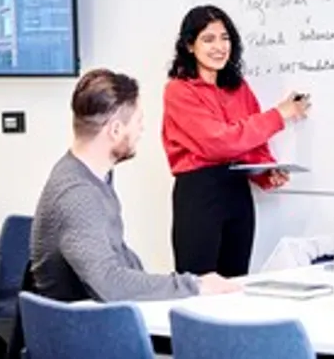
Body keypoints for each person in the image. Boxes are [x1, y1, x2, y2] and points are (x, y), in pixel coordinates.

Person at [30, 68, 240, 302]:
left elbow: (119, 262)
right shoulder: (78, 194)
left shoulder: (94, 175)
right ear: (116, 130)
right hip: (82, 330)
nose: (141, 130)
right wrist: (194, 285)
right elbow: (109, 284)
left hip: (98, 319)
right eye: (138, 121)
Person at [162, 4, 310, 277]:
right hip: (200, 194)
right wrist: (280, 114)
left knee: (236, 285)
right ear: (189, 46)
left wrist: (265, 173)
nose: (219, 46)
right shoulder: (178, 91)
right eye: (208, 39)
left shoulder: (238, 87)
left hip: (237, 193)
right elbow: (218, 142)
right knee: (199, 287)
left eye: (225, 37)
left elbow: (251, 144)